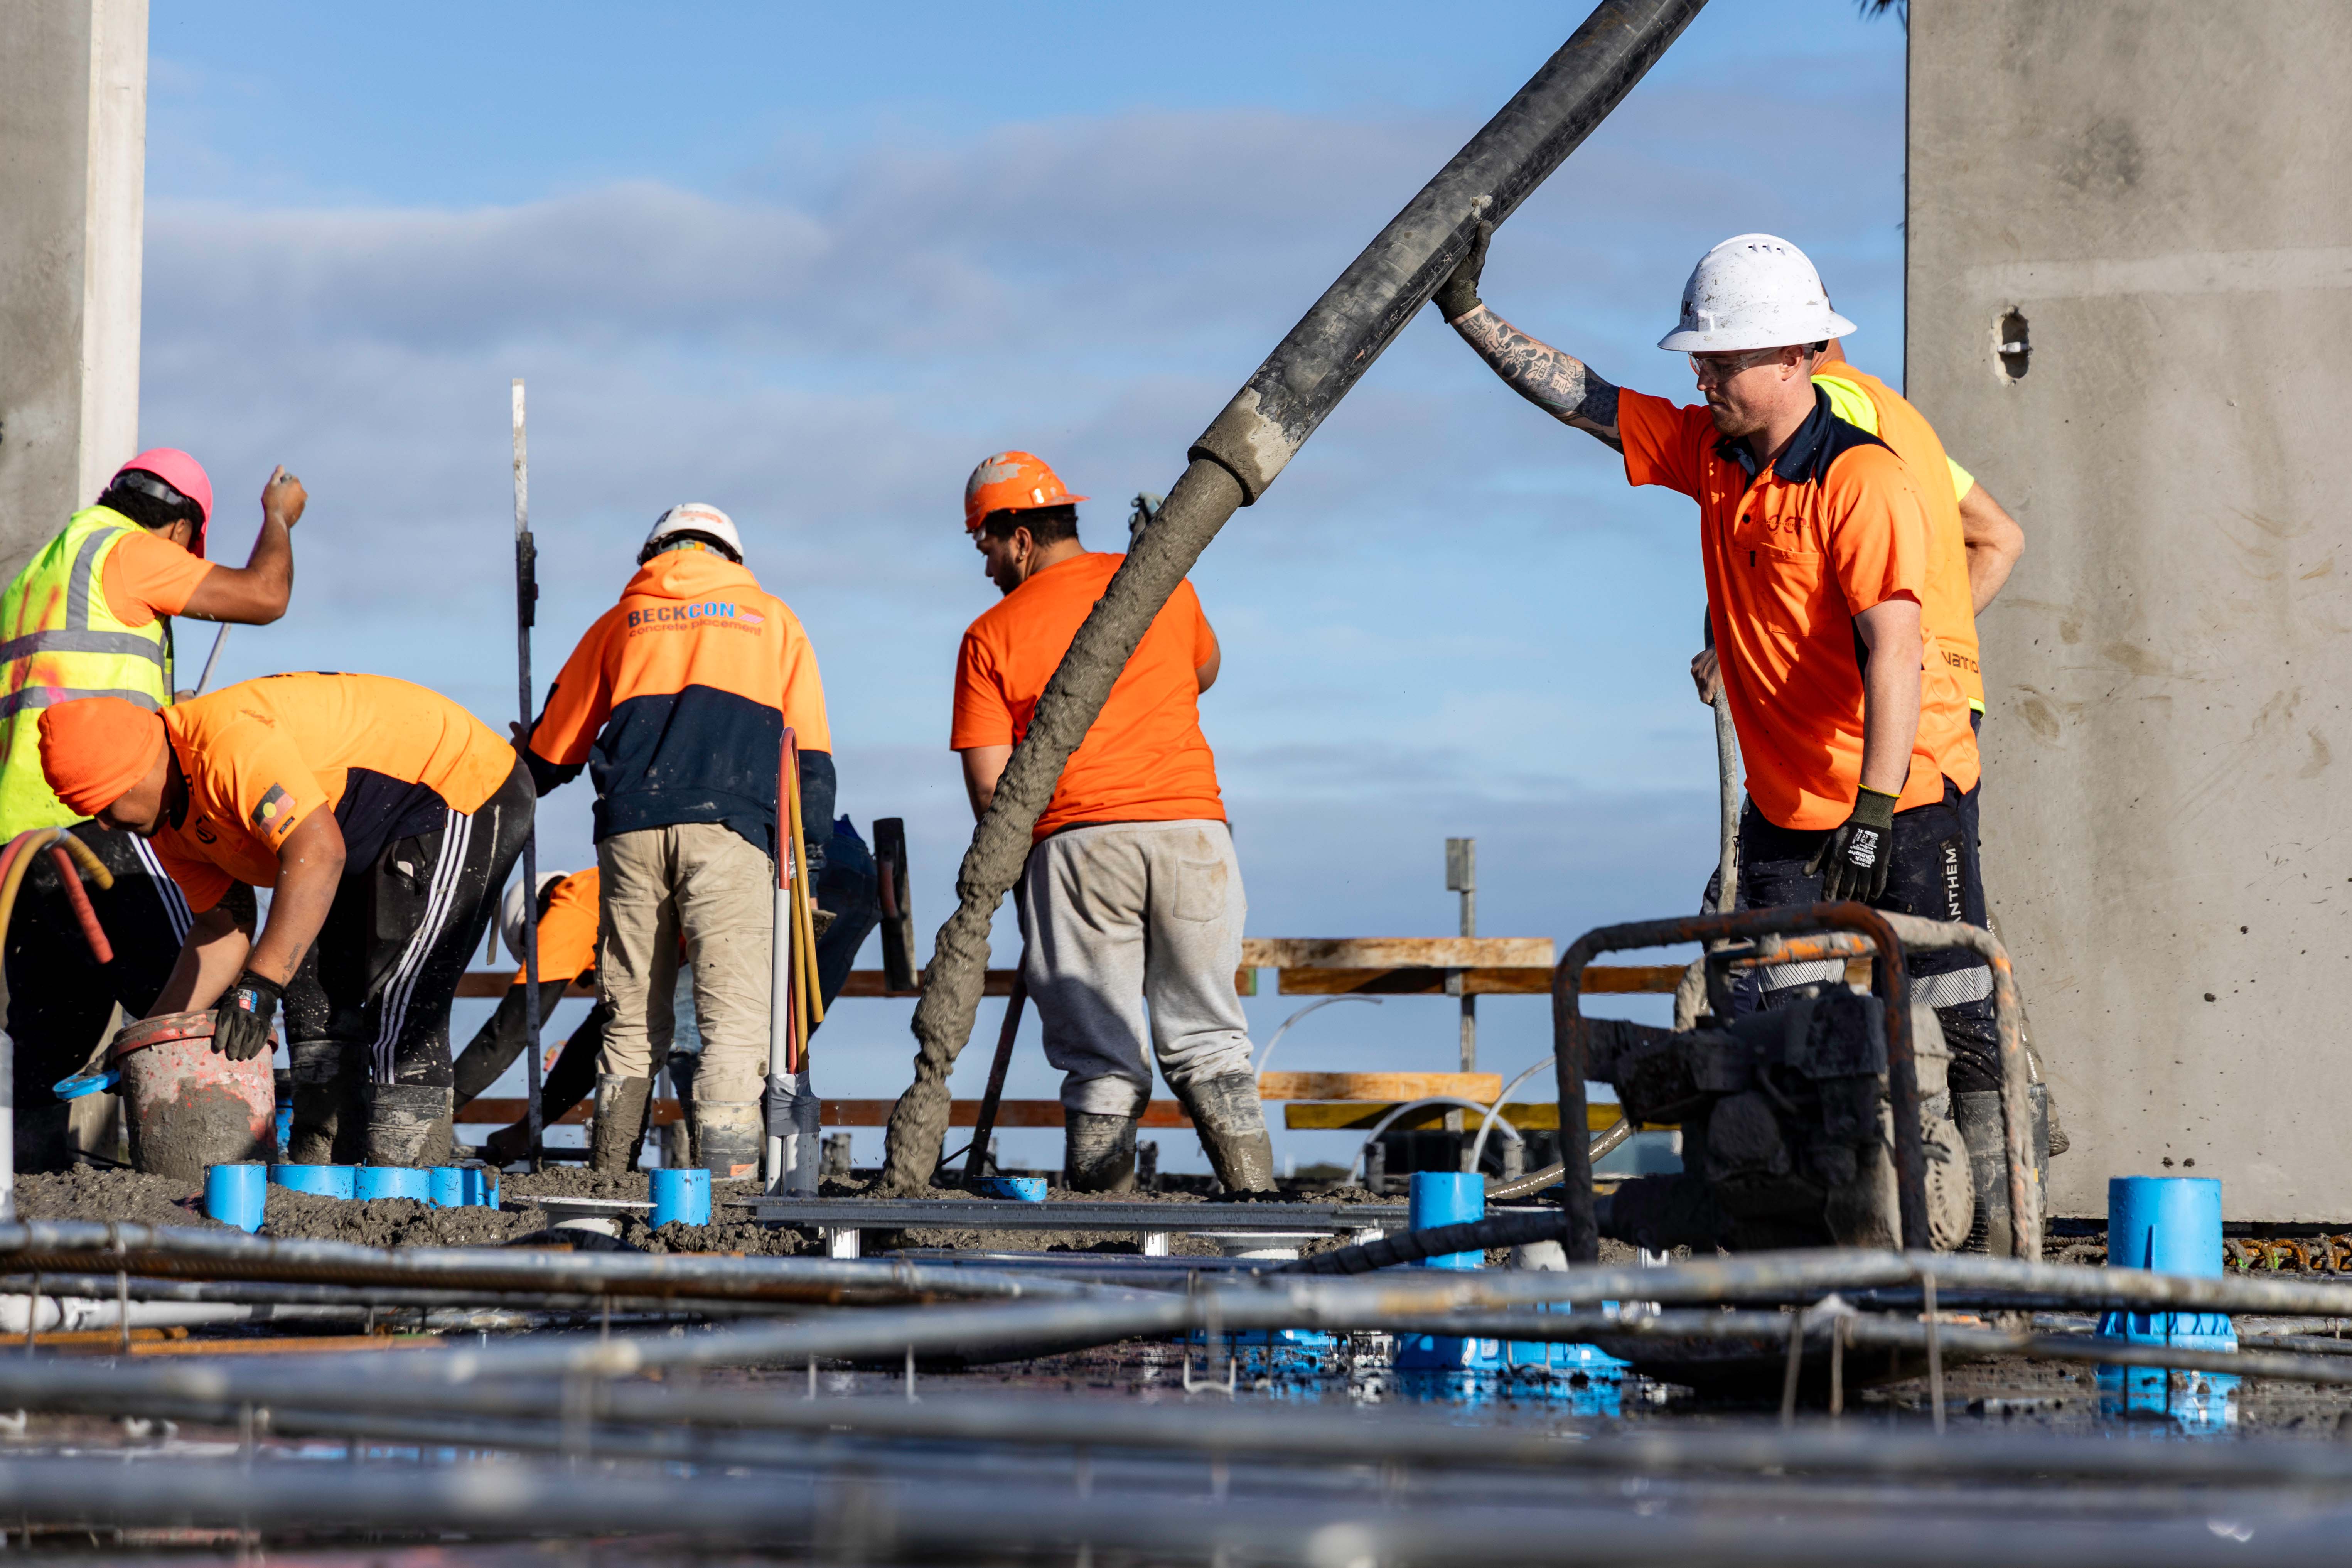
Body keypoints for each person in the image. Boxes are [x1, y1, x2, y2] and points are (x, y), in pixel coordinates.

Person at [1432, 231, 2003, 1118]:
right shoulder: (1710, 453)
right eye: (1698, 360)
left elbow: (1895, 649)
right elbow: (1586, 400)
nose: (1701, 378)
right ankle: (1828, 1194)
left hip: (1904, 791)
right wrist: (1469, 314)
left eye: (1721, 361)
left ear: (1792, 356)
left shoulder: (1860, 479)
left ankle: (1987, 1195)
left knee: (1955, 1020)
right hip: (1786, 807)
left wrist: (1873, 814)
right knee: (1786, 1032)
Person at [35, 671, 532, 1167]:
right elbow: (222, 929)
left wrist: (259, 986)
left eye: (105, 805)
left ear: (139, 769)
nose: (104, 825)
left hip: (456, 785)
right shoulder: (168, 826)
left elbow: (318, 854)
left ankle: (407, 1185)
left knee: (401, 996)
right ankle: (328, 1172)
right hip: (348, 833)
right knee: (310, 993)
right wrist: (146, 1040)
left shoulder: (226, 747)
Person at [953, 451, 1273, 1195]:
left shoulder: (989, 634)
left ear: (1020, 538)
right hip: (1193, 835)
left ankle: (1105, 1215)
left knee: (1101, 1054)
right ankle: (1257, 1202)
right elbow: (1203, 671)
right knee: (1211, 1036)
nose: (987, 566)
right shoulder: (1157, 586)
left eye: (986, 546)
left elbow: (991, 790)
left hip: (1078, 845)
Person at [0, 450, 307, 1170]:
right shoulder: (124, 550)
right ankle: (211, 1176)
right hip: (101, 821)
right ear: (178, 529)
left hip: (22, 841)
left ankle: (29, 1193)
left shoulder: (37, 575)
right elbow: (265, 596)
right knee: (206, 996)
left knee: (50, 1033)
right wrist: (278, 519)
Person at [524, 504, 835, 1178]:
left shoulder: (619, 621)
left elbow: (550, 756)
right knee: (733, 1024)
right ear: (732, 557)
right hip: (730, 834)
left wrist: (523, 753)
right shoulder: (773, 620)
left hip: (630, 832)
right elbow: (808, 756)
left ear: (654, 554)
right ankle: (726, 1193)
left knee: (630, 1018)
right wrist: (809, 857)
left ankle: (610, 1179)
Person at [454, 828, 878, 1169]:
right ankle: (785, 1179)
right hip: (843, 870)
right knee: (775, 1048)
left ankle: (724, 1183)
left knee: (692, 1040)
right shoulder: (614, 897)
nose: (589, 977)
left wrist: (437, 1112)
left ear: (535, 926)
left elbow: (511, 1029)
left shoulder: (569, 908)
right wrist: (529, 1127)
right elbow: (603, 1031)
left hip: (796, 865)